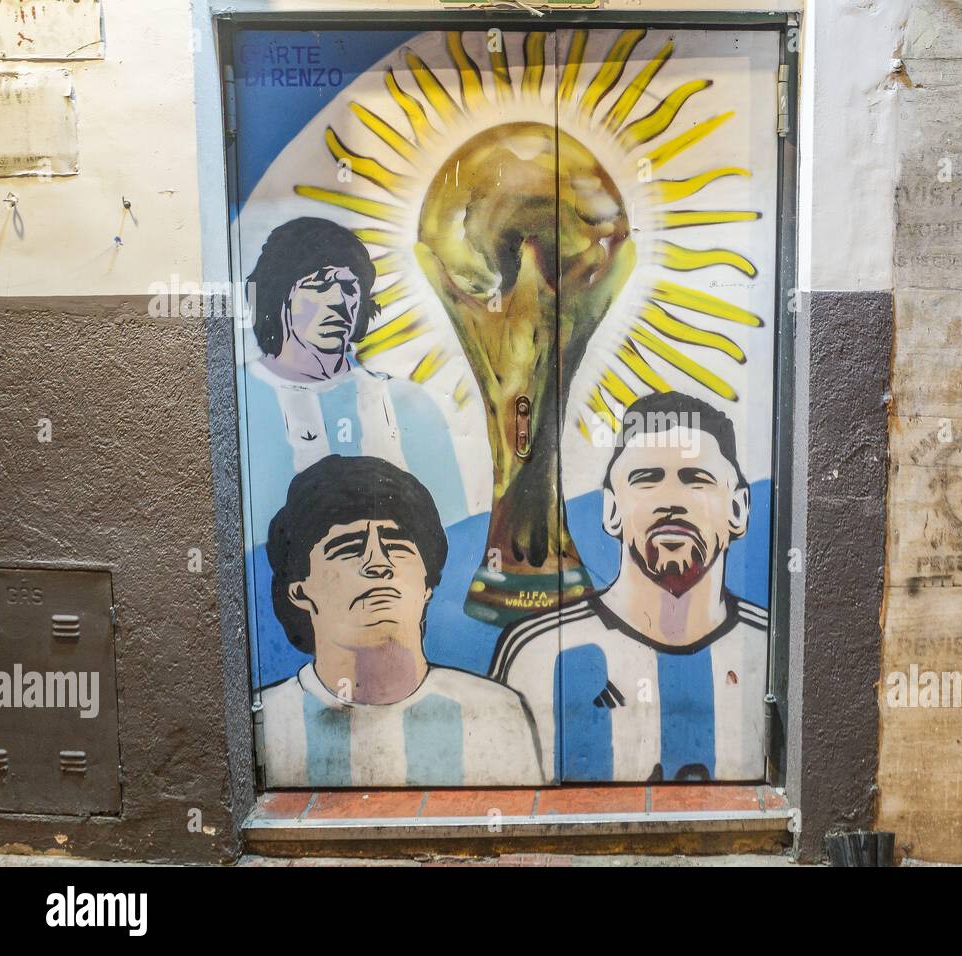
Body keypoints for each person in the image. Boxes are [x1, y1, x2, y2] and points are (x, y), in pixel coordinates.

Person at [490, 393, 769, 782]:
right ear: (611, 510)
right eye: (647, 480)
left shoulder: (772, 649)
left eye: (696, 480)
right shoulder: (539, 653)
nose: (671, 502)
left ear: (739, 509)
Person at [260, 455, 544, 787]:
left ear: (426, 584)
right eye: (348, 548)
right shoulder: (270, 719)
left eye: (396, 545)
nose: (378, 564)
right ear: (299, 591)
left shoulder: (495, 711)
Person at [241, 216, 467, 540]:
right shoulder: (245, 395)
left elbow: (452, 533)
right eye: (318, 286)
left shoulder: (406, 404)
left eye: (349, 288)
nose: (338, 302)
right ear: (280, 298)